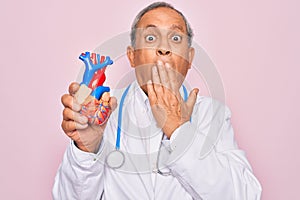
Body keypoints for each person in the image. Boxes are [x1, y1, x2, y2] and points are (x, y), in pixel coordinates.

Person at [53, 2, 262, 199]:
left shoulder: (213, 114)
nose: (164, 48)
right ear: (132, 56)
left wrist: (180, 130)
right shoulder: (103, 108)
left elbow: (245, 195)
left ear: (189, 58)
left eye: (176, 38)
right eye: (151, 38)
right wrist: (86, 149)